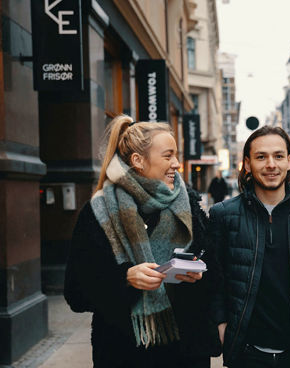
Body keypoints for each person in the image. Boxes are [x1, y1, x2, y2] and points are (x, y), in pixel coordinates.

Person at [64, 115, 220, 368]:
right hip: (123, 352)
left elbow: (213, 272)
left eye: (176, 155)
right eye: (168, 156)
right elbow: (76, 293)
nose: (177, 164)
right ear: (138, 161)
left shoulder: (188, 203)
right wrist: (125, 278)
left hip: (185, 351)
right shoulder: (99, 211)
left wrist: (197, 275)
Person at [208, 126, 290, 368]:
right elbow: (215, 279)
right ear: (247, 164)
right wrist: (220, 322)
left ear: (289, 162)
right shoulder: (223, 215)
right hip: (246, 351)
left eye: (278, 156)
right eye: (261, 157)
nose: (271, 164)